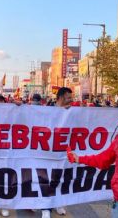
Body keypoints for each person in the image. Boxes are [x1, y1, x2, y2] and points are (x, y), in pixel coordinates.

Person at [40, 87, 70, 218]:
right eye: (69, 97)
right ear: (61, 97)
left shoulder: (73, 111)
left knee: (62, 178)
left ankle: (59, 203)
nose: (71, 100)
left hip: (64, 151)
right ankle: (46, 208)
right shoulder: (46, 110)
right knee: (47, 179)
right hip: (48, 151)